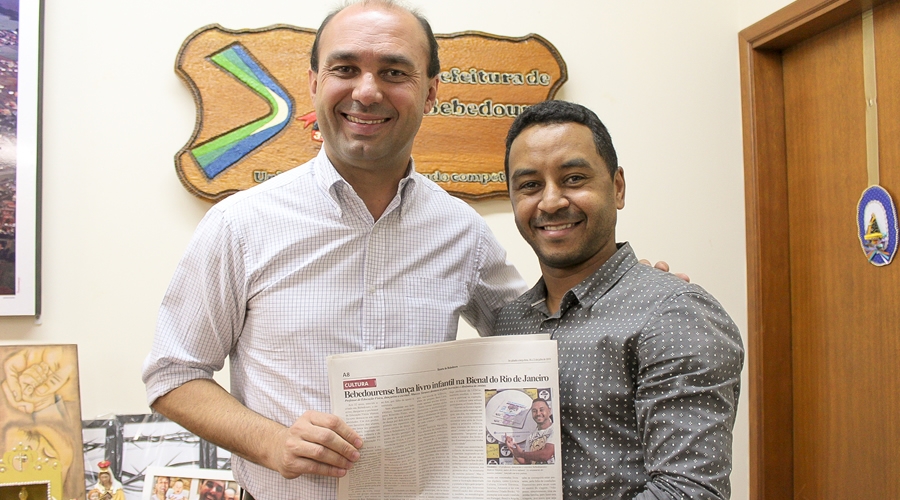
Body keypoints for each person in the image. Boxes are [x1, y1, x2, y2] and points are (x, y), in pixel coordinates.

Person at [142, 1, 525, 498]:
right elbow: (173, 376)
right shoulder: (240, 224)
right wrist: (272, 443)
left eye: (394, 72)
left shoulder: (464, 232)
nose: (366, 92)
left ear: (430, 91)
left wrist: (617, 290)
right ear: (314, 83)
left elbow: (535, 346)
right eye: (344, 69)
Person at [494, 100, 744, 499]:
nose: (551, 201)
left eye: (574, 178)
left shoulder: (674, 314)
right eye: (529, 185)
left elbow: (688, 491)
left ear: (617, 187)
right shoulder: (509, 323)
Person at [505, 397, 554, 465]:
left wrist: (521, 454)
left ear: (549, 411)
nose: (538, 413)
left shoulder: (555, 429)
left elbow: (546, 455)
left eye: (541, 410)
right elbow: (526, 462)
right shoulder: (530, 437)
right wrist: (512, 448)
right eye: (534, 411)